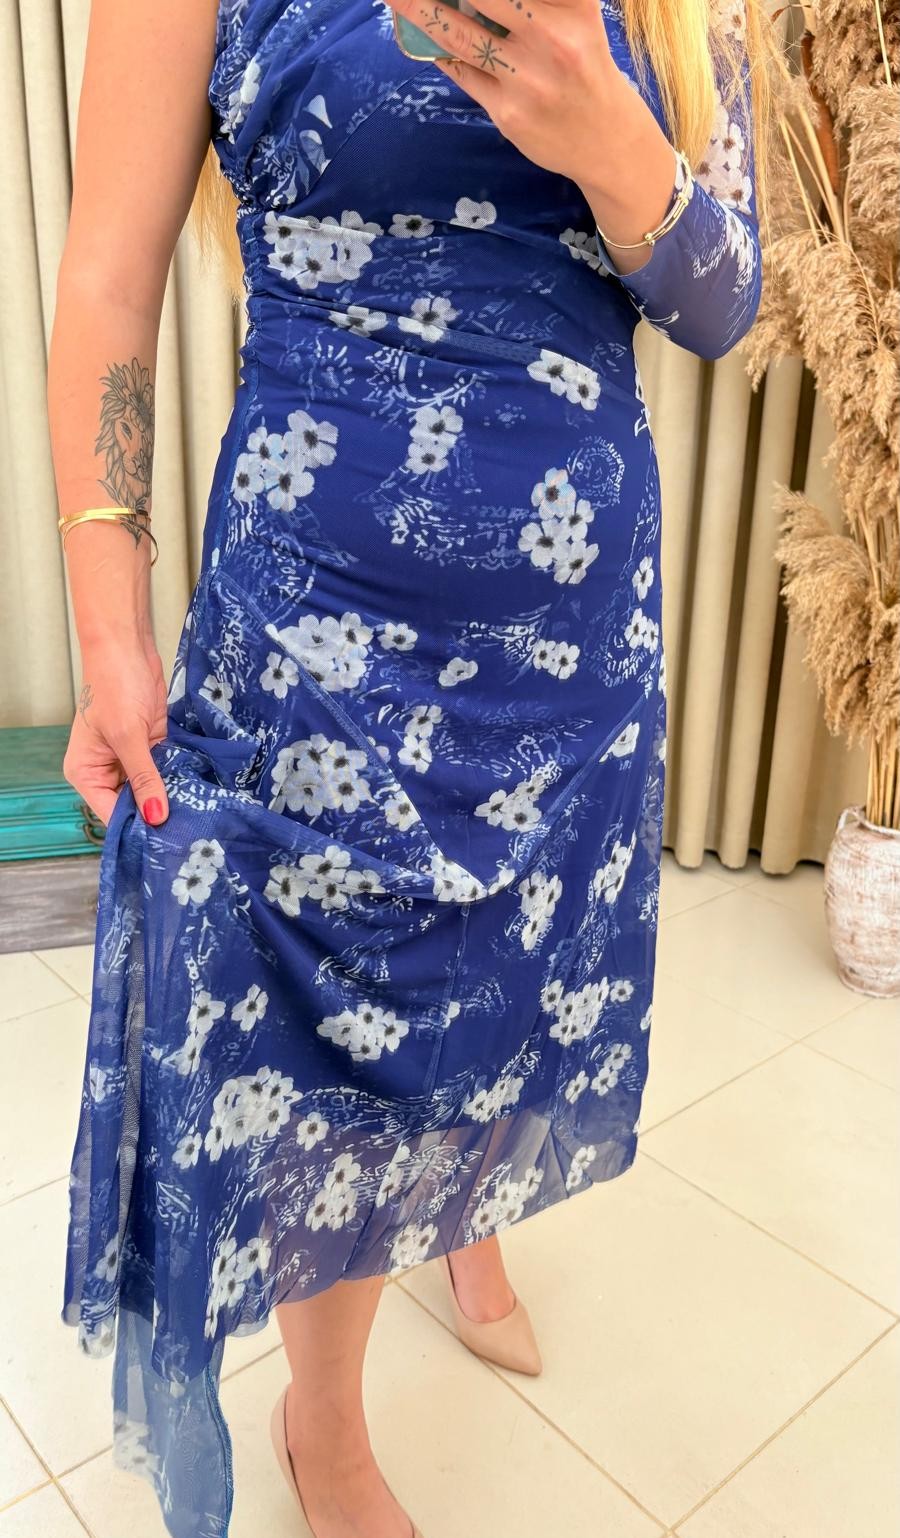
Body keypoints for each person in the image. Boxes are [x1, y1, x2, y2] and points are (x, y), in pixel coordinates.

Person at [48, 1, 773, 1535]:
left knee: (500, 982)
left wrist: (613, 144)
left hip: (569, 650)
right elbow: (108, 280)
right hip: (317, 632)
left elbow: (724, 304)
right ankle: (322, 1418)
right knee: (342, 1036)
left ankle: (462, 1215)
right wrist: (110, 631)